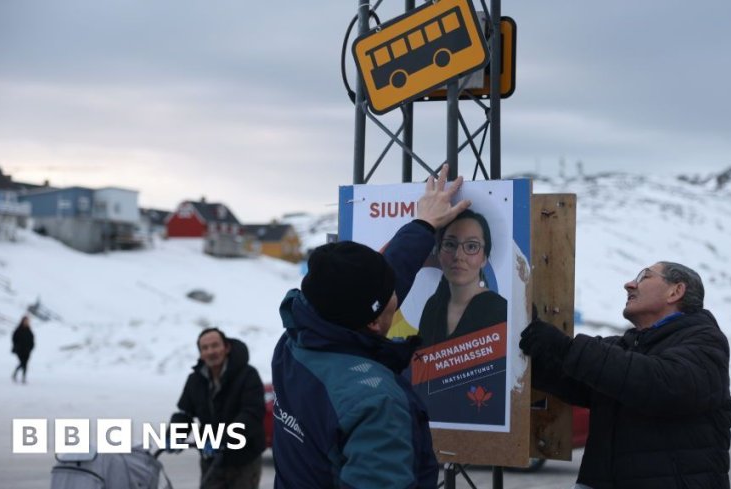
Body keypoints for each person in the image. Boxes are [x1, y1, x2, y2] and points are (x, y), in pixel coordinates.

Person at [271, 165, 470, 488]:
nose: (397, 293)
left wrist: (423, 225)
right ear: (375, 322)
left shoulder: (295, 342)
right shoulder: (376, 403)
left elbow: (372, 281)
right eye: (392, 296)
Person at [519, 262, 731, 489]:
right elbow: (574, 379)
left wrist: (566, 348)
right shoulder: (627, 347)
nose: (629, 284)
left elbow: (660, 383)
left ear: (675, 291)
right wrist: (529, 337)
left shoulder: (705, 342)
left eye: (644, 277)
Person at [171, 327, 265, 489]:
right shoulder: (195, 380)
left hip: (243, 460)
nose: (211, 351)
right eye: (205, 348)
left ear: (226, 347)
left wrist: (224, 438)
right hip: (211, 459)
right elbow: (185, 413)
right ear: (200, 354)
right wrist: (174, 436)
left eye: (215, 346)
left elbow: (251, 413)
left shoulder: (248, 375)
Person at [418, 209, 507, 347]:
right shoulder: (432, 307)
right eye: (450, 244)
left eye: (471, 246)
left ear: (484, 258)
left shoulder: (501, 310)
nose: (458, 256)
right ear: (439, 253)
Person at [11, 315, 34, 384]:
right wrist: (16, 346)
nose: (26, 322)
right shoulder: (18, 330)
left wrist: (31, 347)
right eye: (25, 321)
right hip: (19, 350)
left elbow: (32, 340)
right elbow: (14, 338)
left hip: (27, 350)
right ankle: (15, 373)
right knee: (22, 363)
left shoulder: (29, 330)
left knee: (25, 364)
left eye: (27, 321)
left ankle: (23, 378)